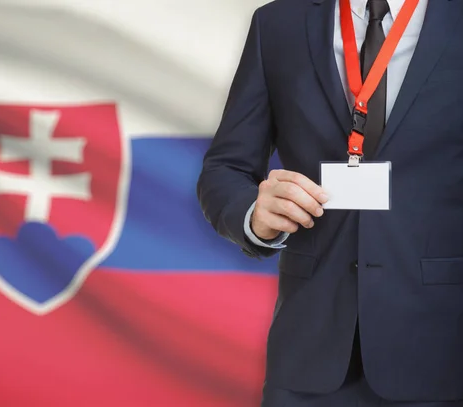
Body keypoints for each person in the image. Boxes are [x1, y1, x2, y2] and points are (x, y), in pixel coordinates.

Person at [197, 0, 463, 406]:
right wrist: (253, 214)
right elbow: (225, 167)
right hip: (309, 357)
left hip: (443, 352)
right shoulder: (278, 23)